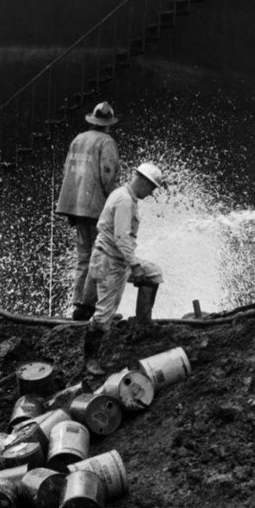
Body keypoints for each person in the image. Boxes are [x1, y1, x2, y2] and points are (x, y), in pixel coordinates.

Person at [81, 162, 167, 377]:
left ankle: (143, 325)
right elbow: (121, 237)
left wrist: (135, 264)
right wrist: (135, 265)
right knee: (103, 314)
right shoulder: (125, 201)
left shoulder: (123, 194)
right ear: (144, 182)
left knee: (154, 273)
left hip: (116, 258)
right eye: (151, 188)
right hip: (110, 261)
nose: (151, 193)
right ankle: (90, 360)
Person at [55, 102, 121, 321]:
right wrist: (116, 203)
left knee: (83, 257)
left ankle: (78, 304)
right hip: (96, 208)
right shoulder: (107, 142)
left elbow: (67, 171)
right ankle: (88, 306)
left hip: (75, 206)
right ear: (108, 124)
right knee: (99, 255)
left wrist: (70, 206)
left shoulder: (78, 139)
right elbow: (108, 175)